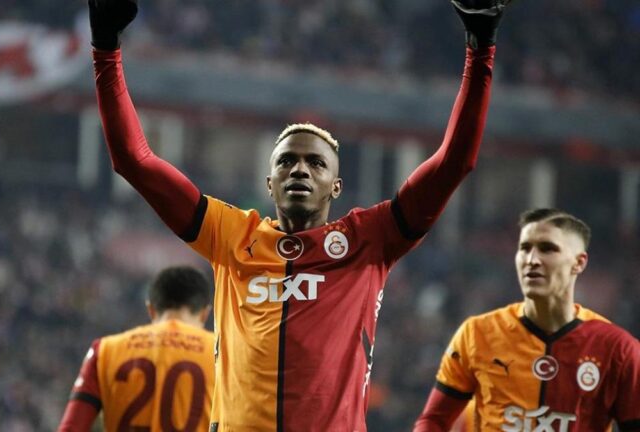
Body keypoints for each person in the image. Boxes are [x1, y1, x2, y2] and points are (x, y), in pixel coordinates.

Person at [86, 0, 511, 429]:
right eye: (287, 161)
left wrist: (481, 47)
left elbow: (454, 162)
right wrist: (106, 49)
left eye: (316, 163)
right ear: (269, 183)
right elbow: (134, 161)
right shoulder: (230, 234)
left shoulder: (371, 239)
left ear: (336, 187)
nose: (300, 170)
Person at [413, 209, 640, 431]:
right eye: (525, 248)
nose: (532, 259)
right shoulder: (477, 333)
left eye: (547, 249)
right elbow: (434, 420)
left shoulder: (617, 349)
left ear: (578, 263)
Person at [57, 266, 214, 432]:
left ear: (151, 310)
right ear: (205, 313)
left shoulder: (105, 351)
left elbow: (71, 428)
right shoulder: (223, 355)